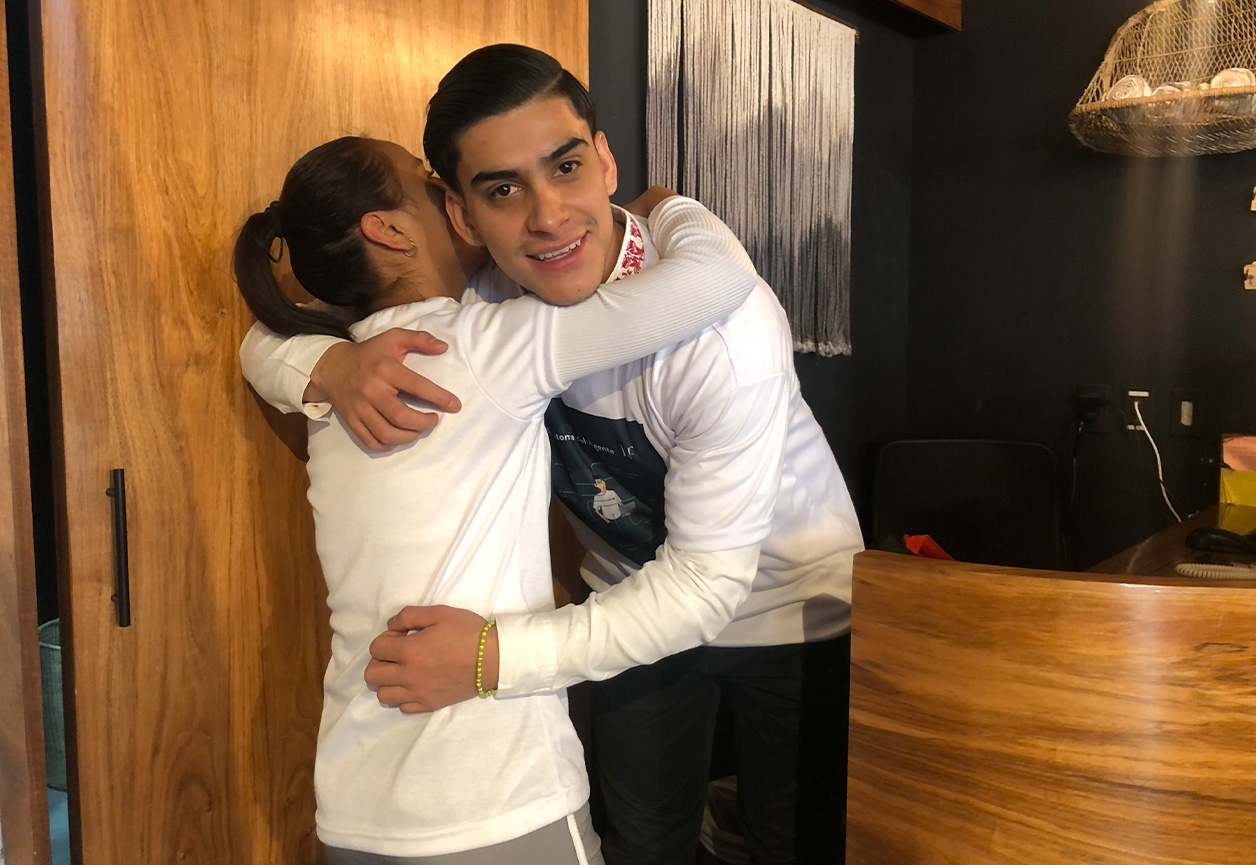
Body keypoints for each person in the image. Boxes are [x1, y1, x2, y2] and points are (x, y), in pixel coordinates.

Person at [242, 45, 863, 865]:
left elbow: (708, 583)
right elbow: (270, 332)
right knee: (641, 841)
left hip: (789, 601)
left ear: (604, 160)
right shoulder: (479, 299)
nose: (547, 217)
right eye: (503, 189)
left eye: (566, 167)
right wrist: (328, 364)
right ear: (461, 214)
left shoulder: (721, 334)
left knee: (795, 842)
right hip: (630, 603)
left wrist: (492, 657)